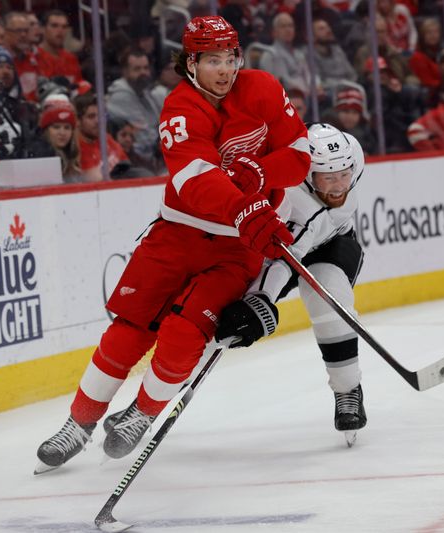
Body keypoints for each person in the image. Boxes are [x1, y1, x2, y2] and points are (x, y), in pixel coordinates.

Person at [35, 15, 310, 473]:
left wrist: (262, 175)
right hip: (177, 233)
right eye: (212, 61)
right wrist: (246, 208)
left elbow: (300, 155)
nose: (224, 70)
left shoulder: (261, 87)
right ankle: (78, 424)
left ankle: (141, 414)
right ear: (190, 63)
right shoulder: (179, 108)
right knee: (128, 330)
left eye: (230, 59)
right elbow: (196, 179)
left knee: (184, 334)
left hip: (235, 249)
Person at [215, 123, 367, 444]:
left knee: (327, 295)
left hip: (334, 244)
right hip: (290, 249)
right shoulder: (299, 202)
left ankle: (348, 391)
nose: (339, 185)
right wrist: (261, 299)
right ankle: (150, 404)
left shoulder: (352, 153)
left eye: (344, 175)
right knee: (221, 317)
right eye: (328, 177)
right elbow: (286, 258)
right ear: (310, 178)